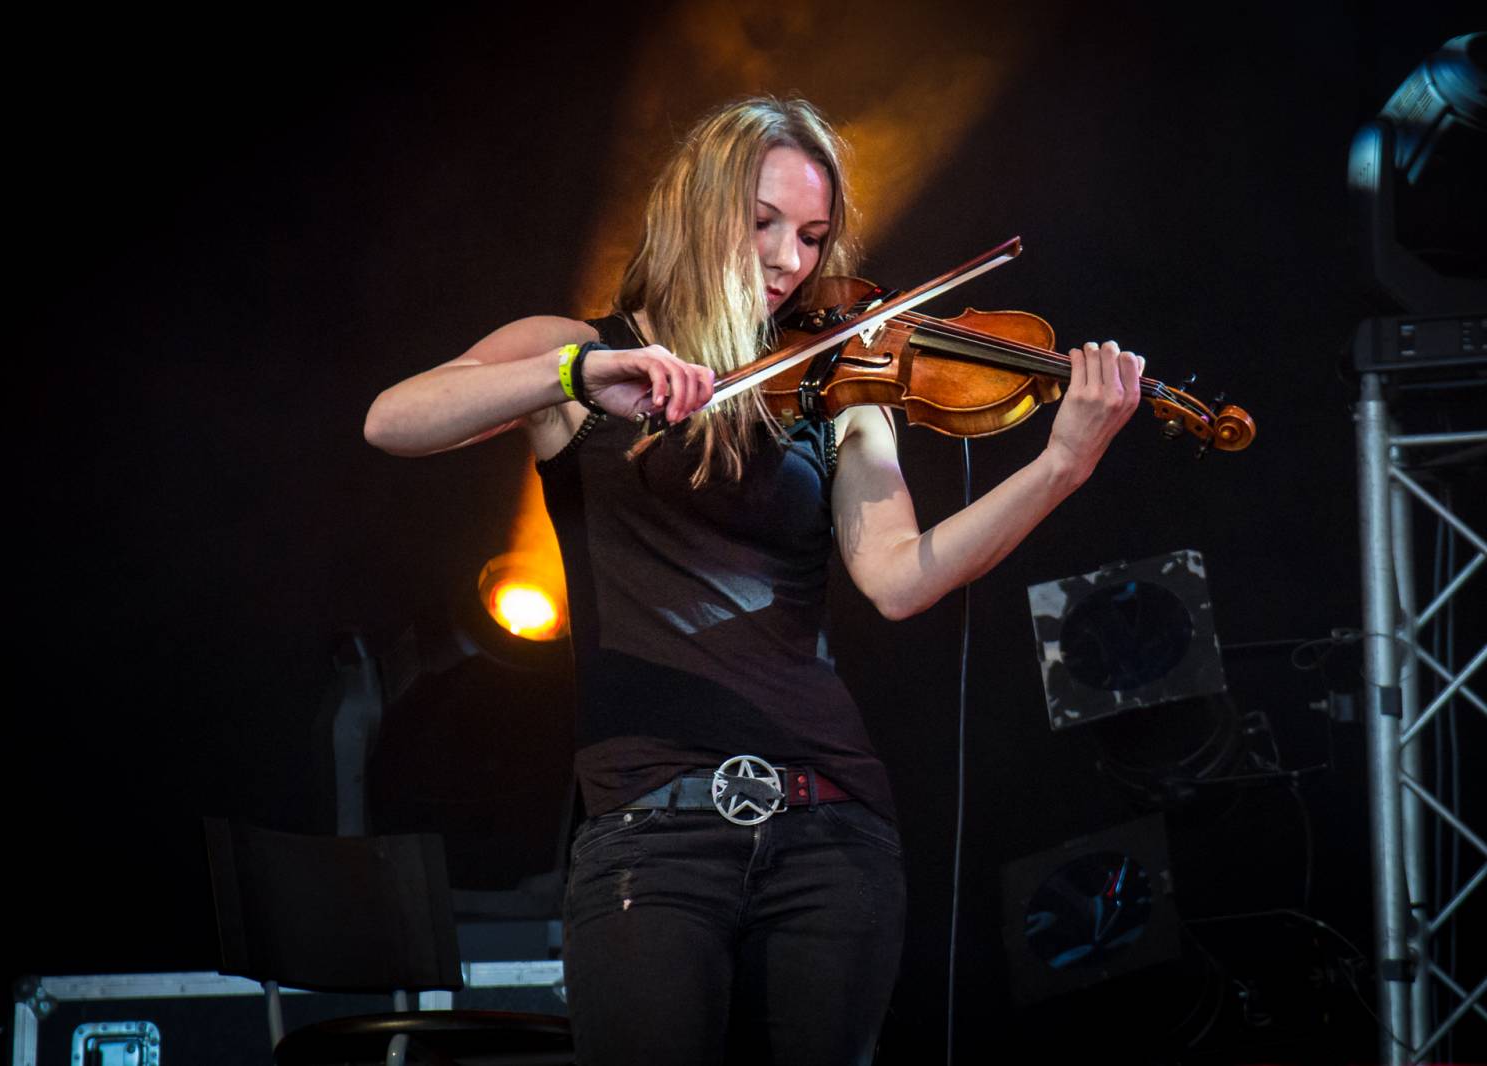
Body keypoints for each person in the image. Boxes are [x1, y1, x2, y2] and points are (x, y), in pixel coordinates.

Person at [365, 96, 1143, 1065]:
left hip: (832, 825)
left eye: (812, 236)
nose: (789, 260)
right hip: (650, 829)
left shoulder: (837, 390)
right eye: (763, 223)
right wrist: (577, 371)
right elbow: (394, 419)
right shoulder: (580, 349)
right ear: (698, 211)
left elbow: (898, 579)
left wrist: (1060, 466)